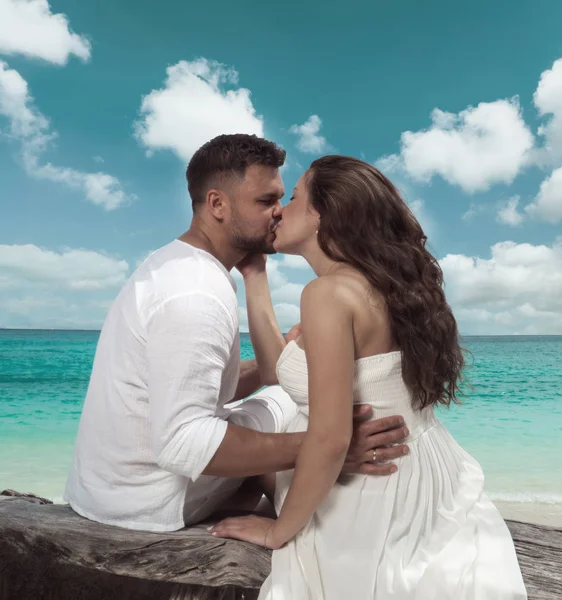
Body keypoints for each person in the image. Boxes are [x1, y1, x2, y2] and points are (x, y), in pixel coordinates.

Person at [210, 156, 528, 599]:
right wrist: (254, 276)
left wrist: (278, 531)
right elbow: (274, 370)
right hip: (425, 472)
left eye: (296, 196)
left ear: (326, 214)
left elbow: (330, 438)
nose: (281, 208)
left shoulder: (327, 294)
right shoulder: (385, 287)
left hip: (374, 489)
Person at [64, 135, 410, 532]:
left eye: (282, 199)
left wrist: (288, 351)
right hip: (148, 502)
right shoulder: (196, 294)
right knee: (296, 408)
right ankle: (324, 505)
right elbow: (183, 443)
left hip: (106, 487)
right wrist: (330, 446)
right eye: (266, 202)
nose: (279, 213)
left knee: (287, 391)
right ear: (217, 205)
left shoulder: (174, 264)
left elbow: (204, 384)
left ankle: (277, 487)